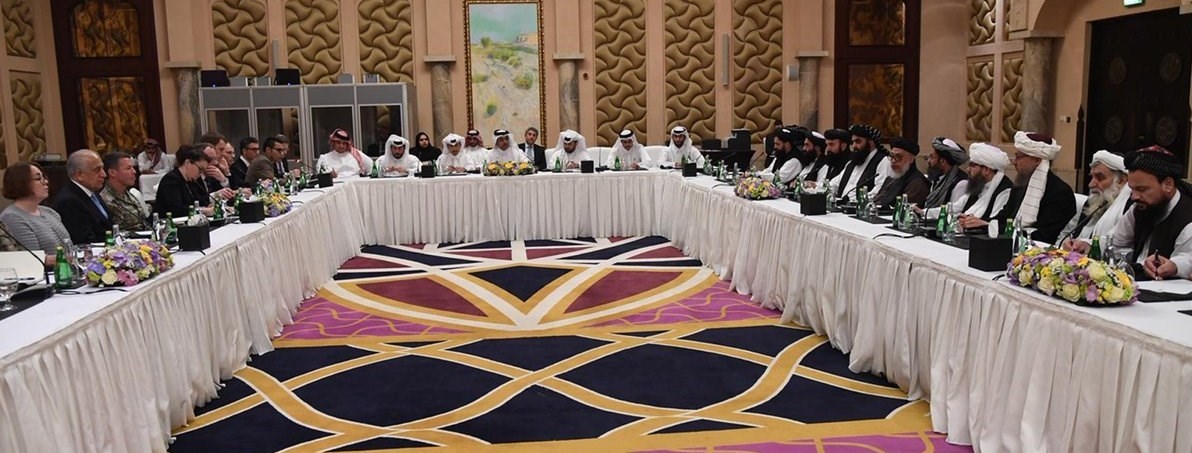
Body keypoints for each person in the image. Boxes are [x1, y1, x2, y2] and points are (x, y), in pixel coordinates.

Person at [1106, 147, 1192, 281]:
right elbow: (1116, 242)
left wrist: (1174, 265)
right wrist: (1088, 244)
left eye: (1141, 189)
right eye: (1132, 190)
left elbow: (1187, 258)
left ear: (1168, 184)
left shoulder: (1187, 216)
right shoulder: (1139, 207)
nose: (1134, 196)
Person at [991, 132, 1076, 244]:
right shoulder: (1020, 185)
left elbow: (1044, 236)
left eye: (1018, 157)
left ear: (1037, 160)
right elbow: (1005, 216)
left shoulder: (1060, 193)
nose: (1014, 162)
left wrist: (997, 228)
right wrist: (986, 224)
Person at [1060, 150, 1132, 248]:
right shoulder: (1093, 201)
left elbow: (1118, 244)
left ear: (1121, 180)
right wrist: (1068, 241)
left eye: (1100, 178)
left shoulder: (1129, 208)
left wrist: (1089, 246)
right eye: (1092, 177)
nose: (1091, 184)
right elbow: (1069, 234)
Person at [0, 162, 73, 259]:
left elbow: (69, 246)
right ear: (21, 183)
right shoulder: (12, 217)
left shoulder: (50, 212)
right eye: (38, 179)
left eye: (44, 177)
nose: (45, 182)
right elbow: (32, 258)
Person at [942, 143, 1014, 224]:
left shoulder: (1004, 191)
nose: (968, 169)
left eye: (972, 166)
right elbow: (956, 207)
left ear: (986, 170)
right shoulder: (978, 185)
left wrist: (977, 223)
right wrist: (928, 212)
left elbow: (996, 223)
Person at [54, 149, 112, 245]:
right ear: (79, 175)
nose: (104, 174)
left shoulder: (92, 192)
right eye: (97, 170)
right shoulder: (70, 202)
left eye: (103, 168)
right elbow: (85, 242)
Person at [155, 145, 226, 217]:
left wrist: (208, 205)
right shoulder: (171, 179)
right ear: (187, 163)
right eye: (200, 169)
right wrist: (204, 211)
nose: (200, 174)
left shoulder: (190, 180)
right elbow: (177, 209)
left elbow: (197, 201)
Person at [830, 124, 891, 203]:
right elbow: (834, 184)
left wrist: (855, 201)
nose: (854, 146)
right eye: (853, 142)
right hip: (841, 207)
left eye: (858, 141)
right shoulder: (851, 163)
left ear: (871, 142)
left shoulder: (883, 161)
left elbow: (879, 191)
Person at [99, 152, 151, 232]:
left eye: (133, 167)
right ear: (112, 172)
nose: (134, 172)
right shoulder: (106, 201)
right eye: (128, 168)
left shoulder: (128, 194)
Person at [873, 137, 930, 207]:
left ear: (911, 159)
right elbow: (877, 201)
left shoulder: (917, 183)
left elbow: (904, 208)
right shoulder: (891, 179)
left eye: (898, 157)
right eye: (892, 156)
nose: (893, 161)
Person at [924, 137, 970, 210]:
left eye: (932, 157)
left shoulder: (961, 184)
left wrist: (924, 212)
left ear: (942, 161)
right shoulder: (937, 180)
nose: (928, 161)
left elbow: (954, 211)